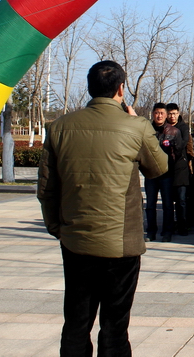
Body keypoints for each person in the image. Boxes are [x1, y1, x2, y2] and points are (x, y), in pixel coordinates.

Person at [38, 60, 167, 356]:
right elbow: (159, 167)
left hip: (76, 241)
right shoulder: (136, 127)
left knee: (76, 323)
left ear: (89, 88)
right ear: (121, 89)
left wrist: (58, 229)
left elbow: (46, 189)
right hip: (121, 245)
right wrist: (139, 124)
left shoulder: (59, 127)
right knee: (115, 326)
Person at [146, 103, 182, 242]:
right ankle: (151, 231)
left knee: (167, 204)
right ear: (153, 114)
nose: (159, 116)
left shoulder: (174, 132)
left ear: (166, 115)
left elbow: (178, 152)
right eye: (156, 113)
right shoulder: (147, 130)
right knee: (150, 205)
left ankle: (167, 231)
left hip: (167, 174)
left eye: (162, 113)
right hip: (150, 173)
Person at [165, 103, 191, 236]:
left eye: (174, 113)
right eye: (170, 113)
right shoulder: (163, 127)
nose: (172, 116)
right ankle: (168, 226)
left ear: (178, 113)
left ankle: (182, 225)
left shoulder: (183, 127)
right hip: (166, 167)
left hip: (181, 167)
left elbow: (183, 143)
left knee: (181, 200)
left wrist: (172, 144)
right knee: (168, 200)